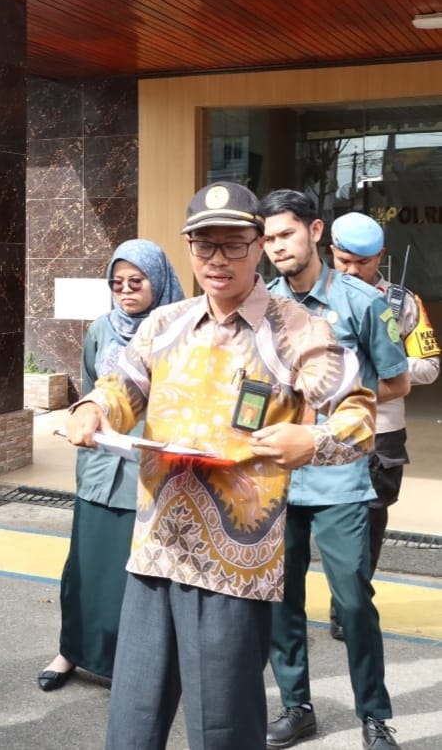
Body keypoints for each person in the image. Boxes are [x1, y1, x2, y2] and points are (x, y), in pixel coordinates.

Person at [65, 181, 375, 750]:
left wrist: (312, 440)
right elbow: (122, 387)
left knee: (222, 725)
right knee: (132, 717)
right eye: (204, 246)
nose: (218, 260)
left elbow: (357, 417)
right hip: (156, 544)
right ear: (188, 249)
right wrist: (91, 408)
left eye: (233, 245)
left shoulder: (297, 328)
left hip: (235, 562)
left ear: (258, 245)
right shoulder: (166, 323)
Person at [260, 190, 408, 750]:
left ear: (315, 231)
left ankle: (374, 714)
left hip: (340, 474)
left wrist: (341, 393)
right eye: (269, 239)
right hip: (276, 476)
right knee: (281, 596)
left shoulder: (362, 302)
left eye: (287, 235)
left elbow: (393, 379)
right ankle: (296, 705)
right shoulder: (262, 303)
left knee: (351, 599)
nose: (277, 248)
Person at [38, 240, 183, 693]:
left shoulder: (179, 331)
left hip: (151, 474)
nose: (125, 291)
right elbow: (89, 389)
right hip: (100, 472)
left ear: (157, 282)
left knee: (137, 576)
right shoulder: (101, 329)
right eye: (117, 283)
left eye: (136, 282)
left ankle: (135, 663)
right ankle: (71, 650)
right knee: (84, 567)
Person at [329, 212, 439, 585]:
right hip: (325, 426)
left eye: (364, 262)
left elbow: (430, 366)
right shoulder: (316, 296)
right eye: (344, 261)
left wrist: (386, 364)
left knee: (371, 522)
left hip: (382, 431)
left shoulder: (402, 302)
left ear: (381, 256)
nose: (354, 270)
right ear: (331, 252)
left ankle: (350, 606)